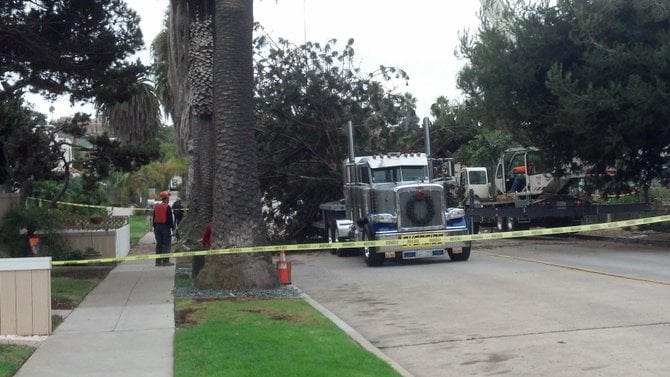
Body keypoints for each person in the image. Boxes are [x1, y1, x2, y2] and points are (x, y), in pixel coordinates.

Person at [152, 191, 175, 266]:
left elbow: (154, 218)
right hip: (165, 227)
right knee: (167, 244)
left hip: (157, 227)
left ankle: (158, 262)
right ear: (167, 198)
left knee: (159, 244)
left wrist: (155, 227)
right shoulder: (167, 207)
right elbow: (170, 219)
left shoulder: (156, 206)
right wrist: (173, 228)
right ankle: (165, 261)